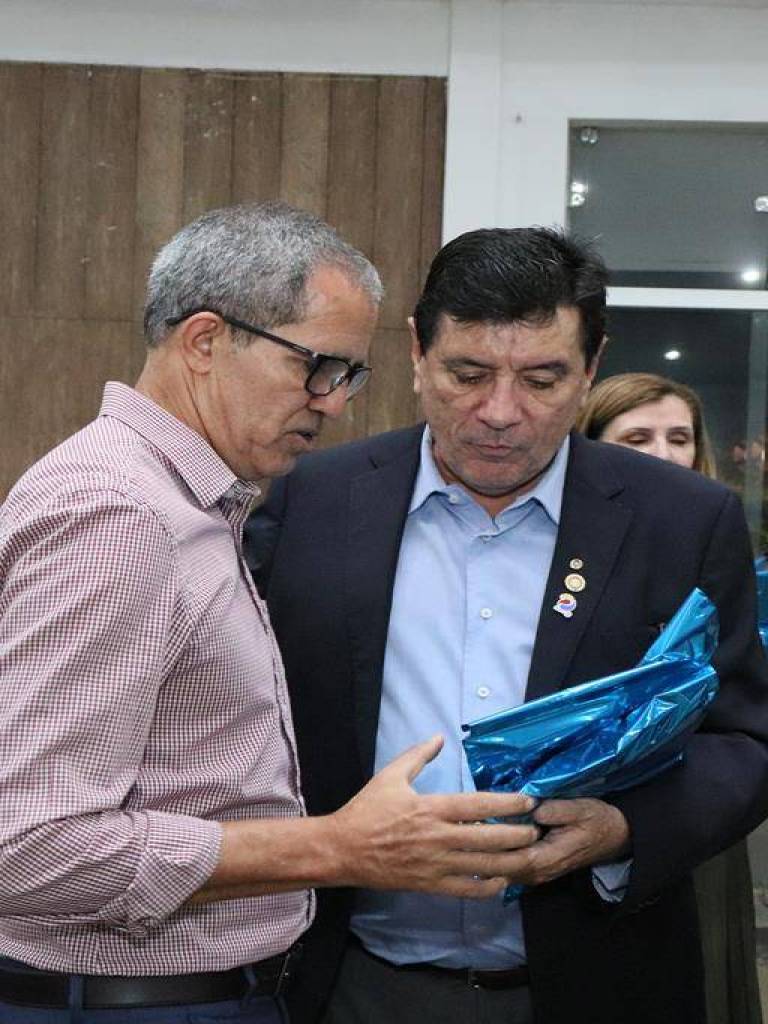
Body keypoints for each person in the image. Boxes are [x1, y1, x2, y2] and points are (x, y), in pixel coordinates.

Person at [0, 202, 540, 1024]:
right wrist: (336, 847)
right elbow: (28, 847)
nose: (334, 403)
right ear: (205, 341)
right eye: (317, 367)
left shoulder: (189, 501)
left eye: (349, 375)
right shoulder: (122, 516)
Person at [246, 226, 768, 1024]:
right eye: (468, 374)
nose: (499, 413)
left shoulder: (683, 520)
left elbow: (745, 737)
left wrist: (624, 828)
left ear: (591, 368)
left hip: (597, 984)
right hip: (348, 981)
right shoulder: (312, 500)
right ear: (417, 352)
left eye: (542, 379)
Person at [577, 371, 762, 1024]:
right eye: (637, 438)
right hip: (588, 826)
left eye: (679, 438)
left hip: (694, 809)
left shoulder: (717, 538)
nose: (663, 454)